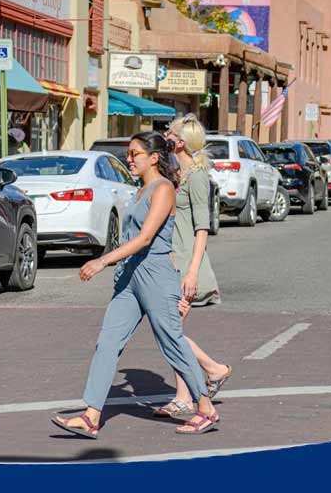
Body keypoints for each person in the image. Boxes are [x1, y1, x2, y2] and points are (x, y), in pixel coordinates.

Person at [52, 132, 220, 438]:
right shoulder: (139, 191)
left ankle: (206, 408)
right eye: (129, 154)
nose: (129, 159)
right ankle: (91, 416)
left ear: (153, 158)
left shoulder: (164, 189)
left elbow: (145, 238)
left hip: (156, 273)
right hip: (130, 278)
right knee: (107, 342)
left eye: (134, 154)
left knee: (171, 341)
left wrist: (102, 261)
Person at [153, 115, 233, 421]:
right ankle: (187, 394)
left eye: (169, 133)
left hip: (187, 264)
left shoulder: (197, 177)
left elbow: (202, 229)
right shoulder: (177, 174)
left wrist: (192, 271)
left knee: (170, 331)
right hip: (171, 262)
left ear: (181, 141)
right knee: (172, 330)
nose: (164, 135)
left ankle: (213, 371)